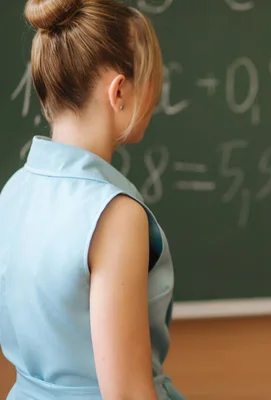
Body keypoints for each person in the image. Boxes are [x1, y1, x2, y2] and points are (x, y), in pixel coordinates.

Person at [0, 0, 185, 399]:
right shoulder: (114, 215)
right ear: (119, 91)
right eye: (152, 77)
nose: (157, 93)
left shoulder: (13, 191)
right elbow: (128, 395)